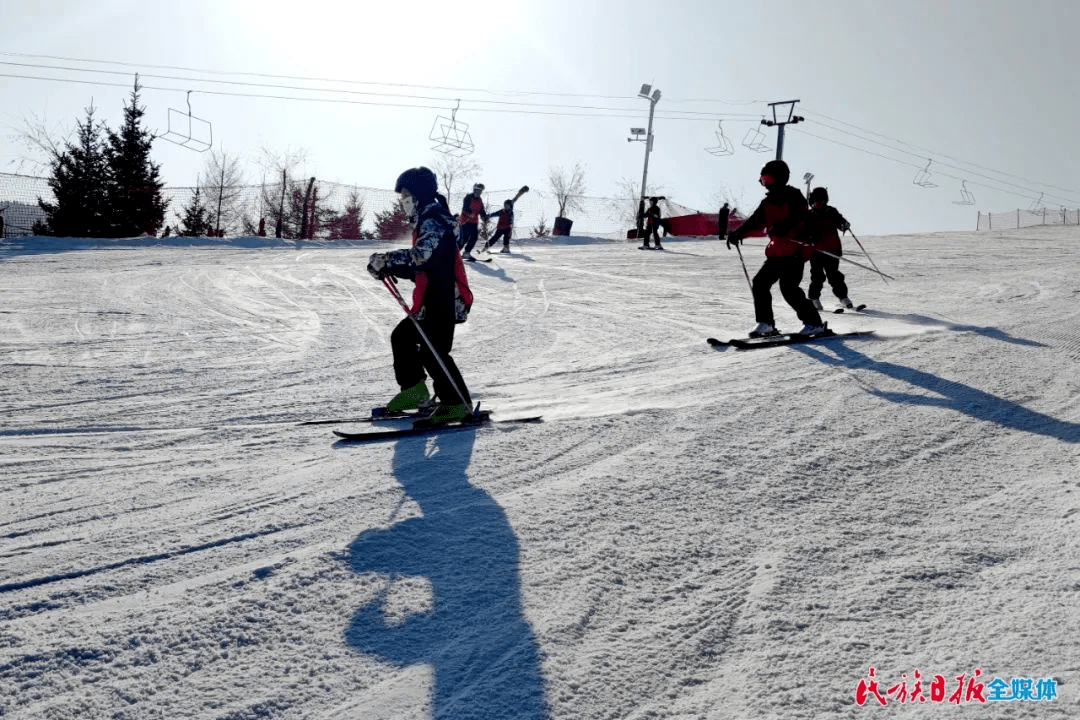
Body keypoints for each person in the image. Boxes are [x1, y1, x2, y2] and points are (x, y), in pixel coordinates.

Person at [368, 166, 474, 423]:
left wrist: (389, 260)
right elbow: (422, 268)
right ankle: (414, 390)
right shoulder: (427, 220)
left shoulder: (434, 219)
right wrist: (389, 268)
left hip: (444, 298)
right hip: (431, 297)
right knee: (403, 337)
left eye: (405, 195)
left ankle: (457, 403)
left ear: (419, 195)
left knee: (433, 351)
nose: (403, 202)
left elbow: (423, 256)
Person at [725, 159, 827, 337]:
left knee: (788, 288)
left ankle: (814, 323)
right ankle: (766, 324)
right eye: (763, 180)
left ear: (780, 178)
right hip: (776, 252)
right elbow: (754, 222)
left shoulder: (794, 195)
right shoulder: (766, 203)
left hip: (795, 252)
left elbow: (800, 215)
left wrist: (783, 228)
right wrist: (737, 233)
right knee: (760, 283)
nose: (765, 184)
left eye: (768, 179)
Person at [805, 187, 855, 311]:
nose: (819, 203)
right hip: (817, 251)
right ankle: (814, 299)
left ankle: (843, 297)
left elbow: (840, 222)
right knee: (817, 276)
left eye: (821, 201)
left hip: (832, 250)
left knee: (834, 275)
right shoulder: (809, 215)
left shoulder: (831, 211)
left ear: (825, 201)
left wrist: (844, 225)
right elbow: (804, 232)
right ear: (812, 202)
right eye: (816, 201)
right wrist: (808, 239)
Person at [458, 182, 488, 261]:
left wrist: (484, 217)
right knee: (464, 238)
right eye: (478, 191)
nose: (479, 193)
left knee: (474, 237)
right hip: (465, 221)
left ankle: (466, 252)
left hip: (474, 222)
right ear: (475, 190)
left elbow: (481, 210)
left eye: (480, 191)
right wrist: (470, 213)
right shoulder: (468, 197)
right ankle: (454, 253)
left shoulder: (479, 200)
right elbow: (465, 208)